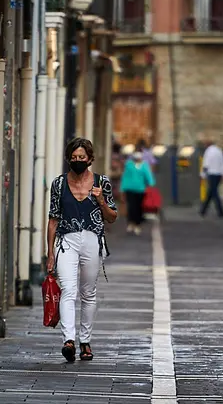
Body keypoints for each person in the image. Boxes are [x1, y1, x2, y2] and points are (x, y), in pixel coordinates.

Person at [47, 138, 117, 363]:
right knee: (68, 289)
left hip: (92, 240)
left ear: (90, 159)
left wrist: (101, 201)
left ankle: (85, 341)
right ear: (69, 158)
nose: (78, 161)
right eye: (74, 157)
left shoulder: (101, 182)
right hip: (66, 241)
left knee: (88, 292)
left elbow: (112, 217)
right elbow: (53, 220)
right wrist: (50, 253)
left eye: (82, 157)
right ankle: (69, 340)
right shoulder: (58, 184)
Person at [120, 151, 155, 235]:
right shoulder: (129, 165)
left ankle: (137, 224)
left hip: (140, 189)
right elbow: (125, 177)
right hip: (130, 188)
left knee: (139, 207)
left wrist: (151, 183)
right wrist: (122, 188)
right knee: (131, 206)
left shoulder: (144, 166)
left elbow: (148, 175)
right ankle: (131, 223)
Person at [200, 138, 223, 218]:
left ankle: (221, 212)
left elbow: (206, 164)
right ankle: (203, 210)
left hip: (212, 174)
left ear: (207, 145)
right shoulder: (219, 151)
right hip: (219, 174)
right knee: (211, 192)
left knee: (214, 193)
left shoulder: (208, 152)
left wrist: (203, 175)